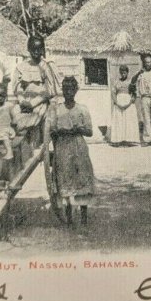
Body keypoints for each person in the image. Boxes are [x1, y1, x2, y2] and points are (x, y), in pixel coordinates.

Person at [48, 76, 95, 226]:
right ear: (62, 90)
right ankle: (69, 217)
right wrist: (59, 131)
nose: (68, 92)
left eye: (71, 89)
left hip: (78, 147)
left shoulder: (82, 109)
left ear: (76, 90)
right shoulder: (56, 109)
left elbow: (89, 131)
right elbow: (51, 131)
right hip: (62, 148)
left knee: (81, 178)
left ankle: (84, 217)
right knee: (65, 179)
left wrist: (79, 129)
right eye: (65, 89)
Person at [11, 36, 61, 162]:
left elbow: (50, 90)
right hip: (24, 102)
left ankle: (37, 148)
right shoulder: (21, 67)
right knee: (14, 115)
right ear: (28, 49)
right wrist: (22, 101)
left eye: (39, 49)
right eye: (34, 49)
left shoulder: (47, 67)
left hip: (40, 103)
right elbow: (17, 88)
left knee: (38, 116)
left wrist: (33, 103)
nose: (37, 52)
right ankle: (16, 149)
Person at [108, 65, 140, 146]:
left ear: (127, 73)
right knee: (119, 121)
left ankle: (129, 140)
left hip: (128, 102)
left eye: (125, 72)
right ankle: (118, 140)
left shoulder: (131, 82)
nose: (123, 74)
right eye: (122, 73)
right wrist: (117, 103)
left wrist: (130, 103)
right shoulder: (116, 82)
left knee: (128, 120)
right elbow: (113, 93)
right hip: (119, 102)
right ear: (120, 73)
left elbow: (134, 94)